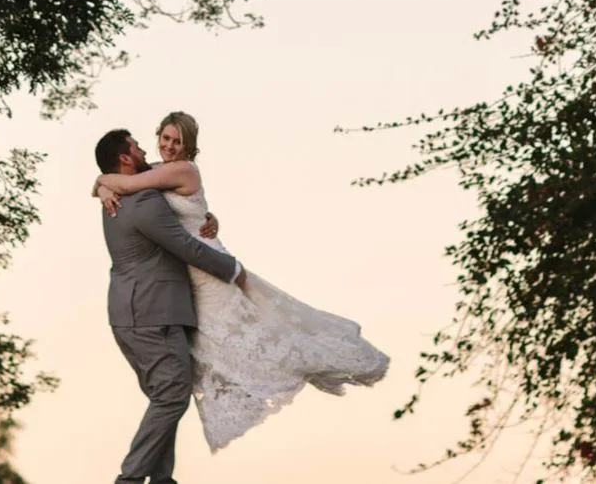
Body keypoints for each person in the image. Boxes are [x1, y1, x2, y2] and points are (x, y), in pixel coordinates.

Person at [95, 110, 391, 452]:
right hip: (184, 281)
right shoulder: (154, 174)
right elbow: (130, 183)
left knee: (255, 333)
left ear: (189, 146)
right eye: (165, 139)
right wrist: (102, 186)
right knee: (200, 366)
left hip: (207, 267)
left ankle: (299, 365)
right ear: (156, 137)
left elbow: (126, 183)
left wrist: (102, 184)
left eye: (178, 141)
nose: (169, 146)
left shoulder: (181, 169)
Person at [97, 125, 248, 484]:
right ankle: (130, 479)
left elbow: (183, 213)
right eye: (135, 147)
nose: (143, 150)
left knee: (164, 396)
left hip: (128, 314)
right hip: (153, 314)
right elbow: (185, 246)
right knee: (172, 397)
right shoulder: (145, 201)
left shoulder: (117, 195)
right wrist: (235, 271)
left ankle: (162, 479)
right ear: (124, 158)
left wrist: (205, 217)